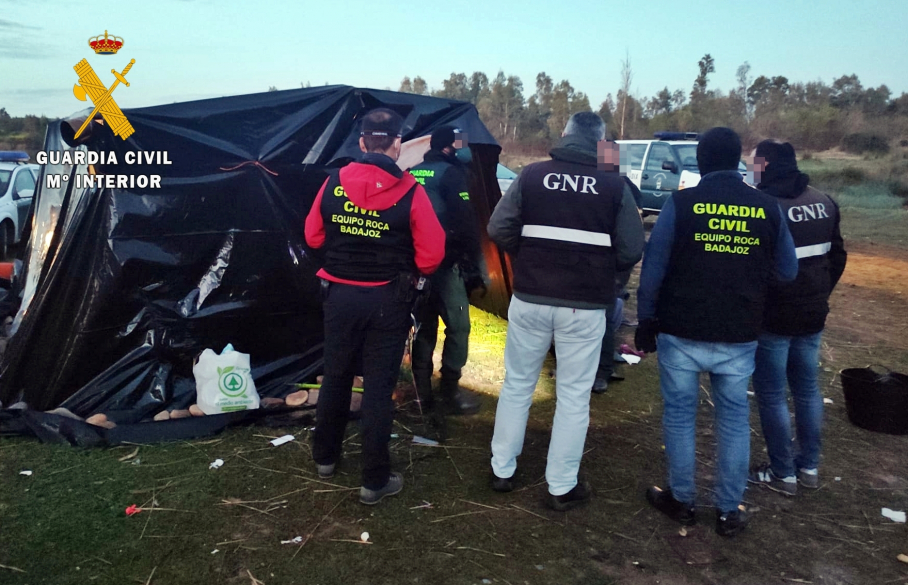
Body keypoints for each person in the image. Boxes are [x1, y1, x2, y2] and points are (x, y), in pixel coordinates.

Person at [635, 127, 798, 536]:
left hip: (681, 330)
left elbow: (653, 270)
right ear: (738, 161)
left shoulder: (681, 203)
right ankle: (728, 510)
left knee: (679, 415)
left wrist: (646, 320)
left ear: (702, 162)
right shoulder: (766, 206)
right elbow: (788, 271)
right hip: (739, 332)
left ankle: (682, 499)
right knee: (734, 419)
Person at [487, 112, 645, 511]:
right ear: (603, 144)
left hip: (530, 298)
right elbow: (630, 248)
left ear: (565, 136)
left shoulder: (532, 174)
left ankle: (501, 470)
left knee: (517, 384)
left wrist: (531, 259)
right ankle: (561, 486)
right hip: (585, 306)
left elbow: (498, 227)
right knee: (573, 396)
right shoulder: (615, 185)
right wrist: (601, 275)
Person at [304, 108, 445, 505]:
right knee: (379, 389)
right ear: (397, 146)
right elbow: (432, 256)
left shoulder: (333, 181)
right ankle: (373, 481)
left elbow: (313, 237)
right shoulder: (412, 192)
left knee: (336, 376)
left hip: (338, 297)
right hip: (388, 299)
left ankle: (325, 459)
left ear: (363, 143)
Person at [746, 140, 847, 496]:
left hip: (774, 316)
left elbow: (755, 266)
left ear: (767, 164)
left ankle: (782, 472)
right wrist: (820, 292)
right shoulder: (824, 201)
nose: (751, 168)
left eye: (754, 162)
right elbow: (838, 256)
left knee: (772, 394)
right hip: (813, 313)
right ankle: (810, 467)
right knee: (807, 390)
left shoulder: (765, 206)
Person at [408, 126, 487, 434]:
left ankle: (421, 394)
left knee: (424, 326)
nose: (465, 150)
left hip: (414, 264)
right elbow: (466, 224)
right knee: (459, 326)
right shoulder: (452, 175)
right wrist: (474, 268)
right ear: (448, 148)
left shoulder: (414, 172)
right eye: (460, 145)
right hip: (443, 264)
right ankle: (450, 391)